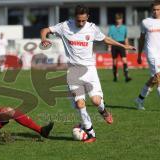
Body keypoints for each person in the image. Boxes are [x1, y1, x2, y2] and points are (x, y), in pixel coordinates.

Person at [40, 5, 135, 143]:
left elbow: (105, 39)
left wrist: (123, 46)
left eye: (83, 21)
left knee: (96, 101)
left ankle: (103, 111)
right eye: (78, 21)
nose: (81, 23)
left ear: (87, 18)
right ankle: (91, 134)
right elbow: (45, 30)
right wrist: (44, 38)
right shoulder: (65, 26)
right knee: (79, 103)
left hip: (90, 70)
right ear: (75, 18)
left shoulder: (92, 28)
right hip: (73, 71)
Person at [135, 0, 160, 110]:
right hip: (151, 53)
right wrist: (139, 55)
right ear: (151, 10)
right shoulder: (145, 22)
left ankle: (139, 99)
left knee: (153, 79)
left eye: (158, 9)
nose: (156, 11)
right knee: (159, 78)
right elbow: (141, 39)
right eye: (154, 9)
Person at [108, 13, 132, 82]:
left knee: (124, 60)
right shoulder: (111, 28)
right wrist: (109, 47)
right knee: (114, 62)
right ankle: (115, 76)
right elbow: (109, 38)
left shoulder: (124, 28)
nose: (118, 20)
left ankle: (126, 76)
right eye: (117, 19)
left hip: (122, 45)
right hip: (114, 44)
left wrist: (127, 47)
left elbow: (126, 38)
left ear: (122, 20)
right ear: (115, 20)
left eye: (120, 19)